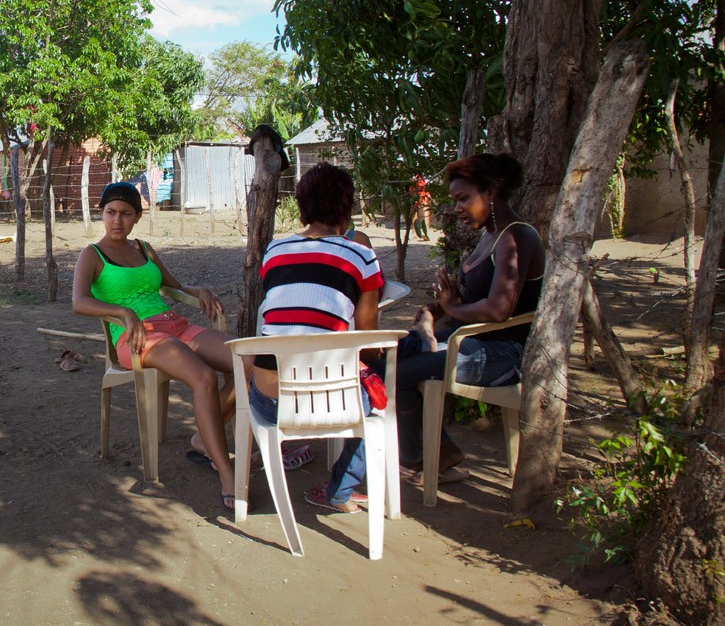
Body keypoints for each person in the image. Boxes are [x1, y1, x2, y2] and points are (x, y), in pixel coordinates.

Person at [72, 182, 238, 510]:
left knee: (248, 362)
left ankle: (204, 440)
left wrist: (198, 289)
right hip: (136, 338)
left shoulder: (144, 249)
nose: (116, 220)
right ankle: (227, 471)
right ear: (101, 214)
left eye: (125, 214)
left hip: (175, 325)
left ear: (136, 218)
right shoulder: (92, 254)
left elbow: (173, 287)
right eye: (110, 212)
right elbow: (79, 302)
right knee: (204, 377)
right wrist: (121, 311)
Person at [384, 153, 545, 484]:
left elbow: (499, 309)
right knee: (390, 354)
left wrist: (452, 307)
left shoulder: (516, 237)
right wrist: (441, 306)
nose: (457, 208)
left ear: (492, 191)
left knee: (395, 373)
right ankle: (439, 453)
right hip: (469, 342)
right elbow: (468, 300)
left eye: (463, 198)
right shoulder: (490, 236)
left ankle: (424, 458)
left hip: (503, 355)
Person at [250, 163, 385, 513]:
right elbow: (368, 346)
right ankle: (340, 490)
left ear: (301, 206)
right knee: (380, 394)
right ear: (347, 206)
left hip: (270, 399)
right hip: (332, 401)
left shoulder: (274, 252)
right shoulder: (362, 255)